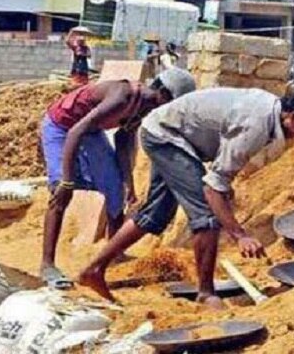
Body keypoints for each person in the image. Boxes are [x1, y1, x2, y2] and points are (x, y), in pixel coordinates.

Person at [79, 88, 294, 308]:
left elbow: (222, 170)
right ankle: (205, 293)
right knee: (206, 217)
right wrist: (240, 235)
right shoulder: (256, 126)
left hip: (165, 132)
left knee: (155, 214)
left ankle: (94, 268)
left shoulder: (269, 113)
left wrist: (223, 191)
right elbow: (212, 188)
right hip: (167, 136)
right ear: (293, 117)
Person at [40, 68, 197, 289]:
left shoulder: (146, 107)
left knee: (115, 189)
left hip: (91, 132)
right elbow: (76, 130)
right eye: (172, 102)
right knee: (61, 192)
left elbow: (124, 139)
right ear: (162, 92)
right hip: (61, 127)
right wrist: (66, 180)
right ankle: (47, 264)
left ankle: (115, 253)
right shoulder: (122, 96)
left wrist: (127, 182)